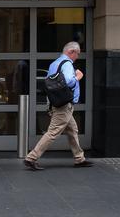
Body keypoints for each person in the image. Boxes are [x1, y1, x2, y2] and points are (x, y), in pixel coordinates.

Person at [24, 41, 94, 170]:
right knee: (53, 132)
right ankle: (31, 158)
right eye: (77, 54)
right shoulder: (67, 64)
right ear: (71, 52)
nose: (77, 57)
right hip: (64, 105)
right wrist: (78, 77)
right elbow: (68, 82)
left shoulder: (54, 63)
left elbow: (50, 84)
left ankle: (79, 158)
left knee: (73, 130)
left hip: (56, 102)